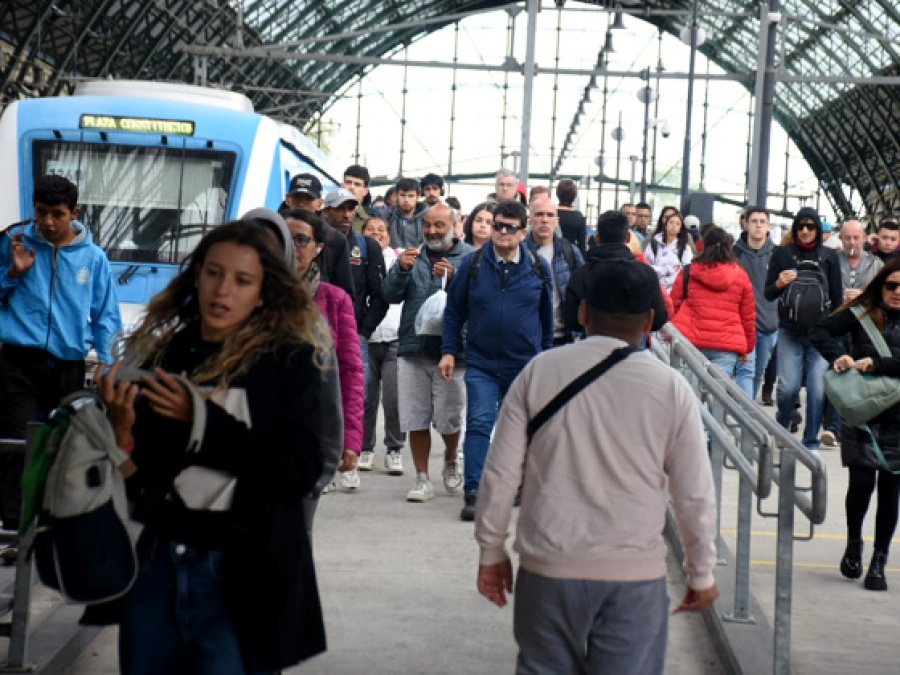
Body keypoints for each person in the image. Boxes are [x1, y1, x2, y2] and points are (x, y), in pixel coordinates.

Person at [97, 220, 329, 673]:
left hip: (246, 572)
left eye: (242, 280)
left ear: (263, 292)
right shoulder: (168, 356)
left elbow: (300, 469)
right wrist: (120, 431)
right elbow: (140, 481)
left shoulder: (291, 361)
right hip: (158, 565)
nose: (223, 290)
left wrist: (202, 423)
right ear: (197, 275)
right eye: (213, 273)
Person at [474, 259, 718, 674]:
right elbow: (693, 492)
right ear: (648, 322)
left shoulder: (539, 373)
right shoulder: (671, 388)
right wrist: (701, 572)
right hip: (633, 575)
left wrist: (491, 549)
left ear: (583, 312)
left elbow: (500, 473)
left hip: (547, 568)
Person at [0, 174, 122, 528]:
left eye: (57, 214)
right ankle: (12, 527)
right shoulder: (14, 243)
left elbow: (105, 316)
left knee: (63, 446)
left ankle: (52, 523)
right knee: (17, 443)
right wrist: (12, 272)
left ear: (74, 213)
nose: (48, 222)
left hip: (67, 366)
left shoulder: (94, 259)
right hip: (17, 363)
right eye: (41, 213)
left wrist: (110, 362)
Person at [440, 200, 553, 521]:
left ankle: (515, 483)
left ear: (522, 232)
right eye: (497, 226)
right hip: (482, 364)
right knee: (478, 424)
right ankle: (474, 491)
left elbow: (546, 319)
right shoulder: (473, 265)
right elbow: (453, 312)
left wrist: (543, 359)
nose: (502, 232)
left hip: (524, 364)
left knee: (516, 428)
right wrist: (448, 351)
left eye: (509, 228)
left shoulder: (537, 267)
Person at [810, 259, 900, 591]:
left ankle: (879, 560)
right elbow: (819, 330)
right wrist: (838, 356)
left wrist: (878, 363)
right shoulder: (862, 310)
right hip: (862, 413)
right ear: (880, 286)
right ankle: (853, 543)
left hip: (897, 418)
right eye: (891, 286)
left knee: (891, 491)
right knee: (861, 485)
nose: (898, 293)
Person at [382, 203, 474, 503]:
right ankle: (422, 478)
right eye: (428, 225)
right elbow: (389, 295)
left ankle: (450, 458)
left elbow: (481, 299)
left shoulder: (471, 257)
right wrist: (401, 269)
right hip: (412, 348)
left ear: (454, 225)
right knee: (415, 417)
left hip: (453, 353)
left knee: (450, 418)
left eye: (439, 225)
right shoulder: (413, 255)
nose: (432, 231)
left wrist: (457, 275)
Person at [285, 208, 365, 492]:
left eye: (302, 240)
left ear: (318, 248)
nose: (293, 246)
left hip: (314, 430)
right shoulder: (254, 295)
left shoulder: (335, 300)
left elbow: (351, 372)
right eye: (285, 237)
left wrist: (350, 439)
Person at [764, 207, 842, 450]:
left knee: (818, 391)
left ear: (818, 229)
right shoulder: (782, 254)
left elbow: (837, 299)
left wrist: (834, 334)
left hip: (820, 335)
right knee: (788, 387)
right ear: (795, 228)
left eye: (811, 226)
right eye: (801, 226)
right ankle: (783, 424)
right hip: (790, 331)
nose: (805, 231)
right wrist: (779, 283)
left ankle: (810, 442)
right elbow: (768, 293)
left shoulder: (829, 256)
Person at [820, 220, 884, 446]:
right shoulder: (832, 263)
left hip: (864, 329)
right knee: (837, 372)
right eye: (847, 237)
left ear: (865, 238)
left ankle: (849, 425)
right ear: (841, 238)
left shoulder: (875, 265)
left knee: (858, 377)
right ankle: (833, 426)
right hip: (838, 324)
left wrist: (863, 297)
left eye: (856, 237)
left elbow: (881, 295)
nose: (852, 242)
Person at [670, 227, 756, 396]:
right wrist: (747, 347)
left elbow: (673, 305)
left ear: (703, 245)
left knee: (689, 395)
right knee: (716, 397)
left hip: (690, 342)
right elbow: (748, 316)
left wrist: (671, 334)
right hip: (726, 345)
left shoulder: (689, 271)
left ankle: (692, 422)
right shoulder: (741, 275)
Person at [322, 188, 389, 394]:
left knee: (357, 396)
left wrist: (364, 331)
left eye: (351, 208)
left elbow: (380, 295)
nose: (346, 214)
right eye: (340, 208)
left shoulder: (367, 246)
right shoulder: (313, 243)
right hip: (318, 332)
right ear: (326, 211)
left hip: (353, 335)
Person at [564, 210, 671, 339]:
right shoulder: (646, 274)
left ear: (597, 237)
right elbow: (658, 319)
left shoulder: (581, 275)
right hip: (633, 347)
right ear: (628, 237)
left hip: (592, 346)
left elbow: (571, 320)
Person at [359, 216, 406, 475]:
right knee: (365, 398)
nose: (376, 234)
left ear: (389, 235)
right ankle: (365, 449)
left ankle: (394, 449)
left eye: (382, 230)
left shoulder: (399, 260)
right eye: (370, 229)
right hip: (366, 338)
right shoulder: (356, 258)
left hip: (394, 337)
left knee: (394, 398)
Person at [280, 172, 354, 298]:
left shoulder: (335, 239)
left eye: (308, 199)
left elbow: (344, 291)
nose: (302, 204)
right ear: (288, 199)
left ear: (320, 203)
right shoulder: (271, 231)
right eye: (297, 197)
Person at [525, 194, 584, 345]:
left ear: (556, 221)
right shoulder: (520, 252)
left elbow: (583, 292)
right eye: (539, 214)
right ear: (529, 219)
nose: (544, 220)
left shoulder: (569, 251)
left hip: (563, 338)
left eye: (550, 215)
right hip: (528, 338)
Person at [734, 206, 780, 399]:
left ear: (769, 226)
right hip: (742, 323)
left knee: (758, 372)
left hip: (769, 323)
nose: (758, 225)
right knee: (746, 371)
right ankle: (746, 416)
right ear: (746, 224)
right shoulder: (735, 253)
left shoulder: (778, 255)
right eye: (754, 221)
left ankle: (748, 416)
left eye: (762, 222)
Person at [645, 209, 694, 292]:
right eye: (671, 222)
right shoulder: (653, 243)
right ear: (666, 224)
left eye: (677, 224)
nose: (673, 226)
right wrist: (668, 269)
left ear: (680, 229)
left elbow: (684, 271)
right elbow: (646, 266)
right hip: (653, 288)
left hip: (674, 290)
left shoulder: (685, 248)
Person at [379, 177, 427, 249]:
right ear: (396, 195)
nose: (406, 200)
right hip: (392, 258)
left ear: (418, 197)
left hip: (420, 258)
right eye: (402, 195)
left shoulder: (428, 217)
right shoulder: (385, 216)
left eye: (411, 196)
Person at [342, 164, 377, 233]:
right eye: (348, 182)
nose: (352, 187)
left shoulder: (371, 222)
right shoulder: (330, 213)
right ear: (342, 186)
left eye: (357, 184)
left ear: (365, 191)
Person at [555, 179, 587, 252]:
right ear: (574, 196)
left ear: (557, 194)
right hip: (571, 256)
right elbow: (582, 245)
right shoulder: (579, 217)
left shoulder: (551, 215)